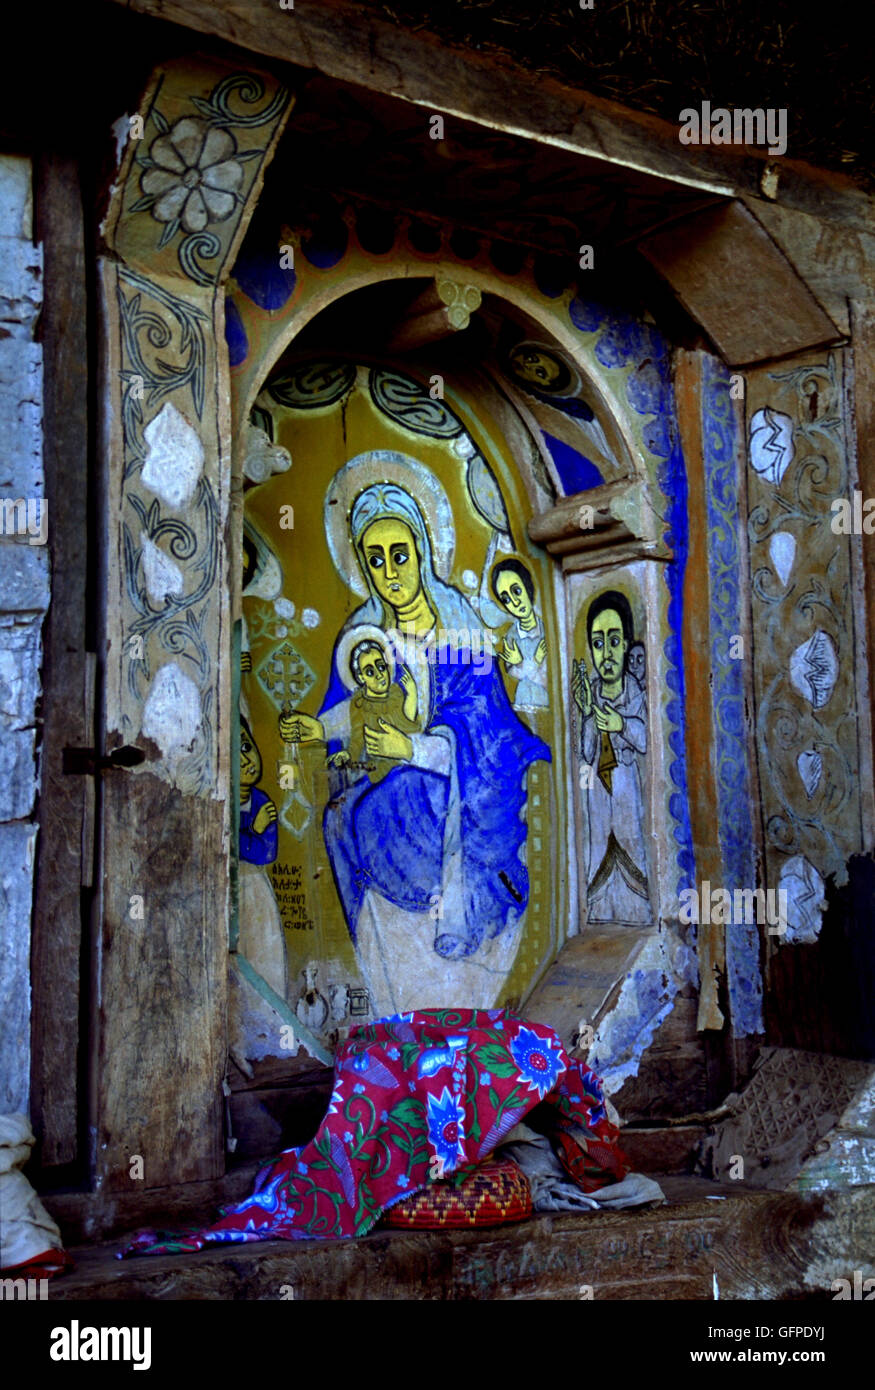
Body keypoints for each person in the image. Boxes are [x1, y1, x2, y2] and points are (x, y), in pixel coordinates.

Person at [280, 482, 550, 1013]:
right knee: (342, 817)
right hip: (383, 829)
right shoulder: (362, 637)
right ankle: (397, 1022)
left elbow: (490, 739)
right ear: (361, 566)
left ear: (422, 553)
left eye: (399, 555)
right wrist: (325, 737)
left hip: (454, 817)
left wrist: (414, 748)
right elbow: (346, 720)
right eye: (375, 560)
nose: (390, 572)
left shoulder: (462, 633)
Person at [572, 591, 650, 926]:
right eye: (598, 642)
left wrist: (621, 724)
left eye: (614, 641)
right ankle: (600, 916)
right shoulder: (590, 690)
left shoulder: (633, 690)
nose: (606, 653)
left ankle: (638, 915)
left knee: (632, 852)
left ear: (626, 644)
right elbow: (586, 752)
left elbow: (646, 740)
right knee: (598, 854)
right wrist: (589, 713)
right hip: (598, 795)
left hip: (627, 786)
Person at [281, 635, 419, 786]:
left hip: (408, 768)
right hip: (380, 773)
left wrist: (412, 694)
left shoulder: (396, 693)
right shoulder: (360, 705)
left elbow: (409, 723)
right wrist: (347, 754)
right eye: (370, 672)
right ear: (361, 677)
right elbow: (357, 738)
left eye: (381, 667)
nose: (379, 675)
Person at [490, 556, 549, 711]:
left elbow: (551, 678)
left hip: (547, 703)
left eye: (517, 591)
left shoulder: (547, 630)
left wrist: (522, 663)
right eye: (506, 599)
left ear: (527, 586)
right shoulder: (511, 637)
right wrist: (535, 660)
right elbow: (515, 674)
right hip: (524, 704)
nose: (515, 602)